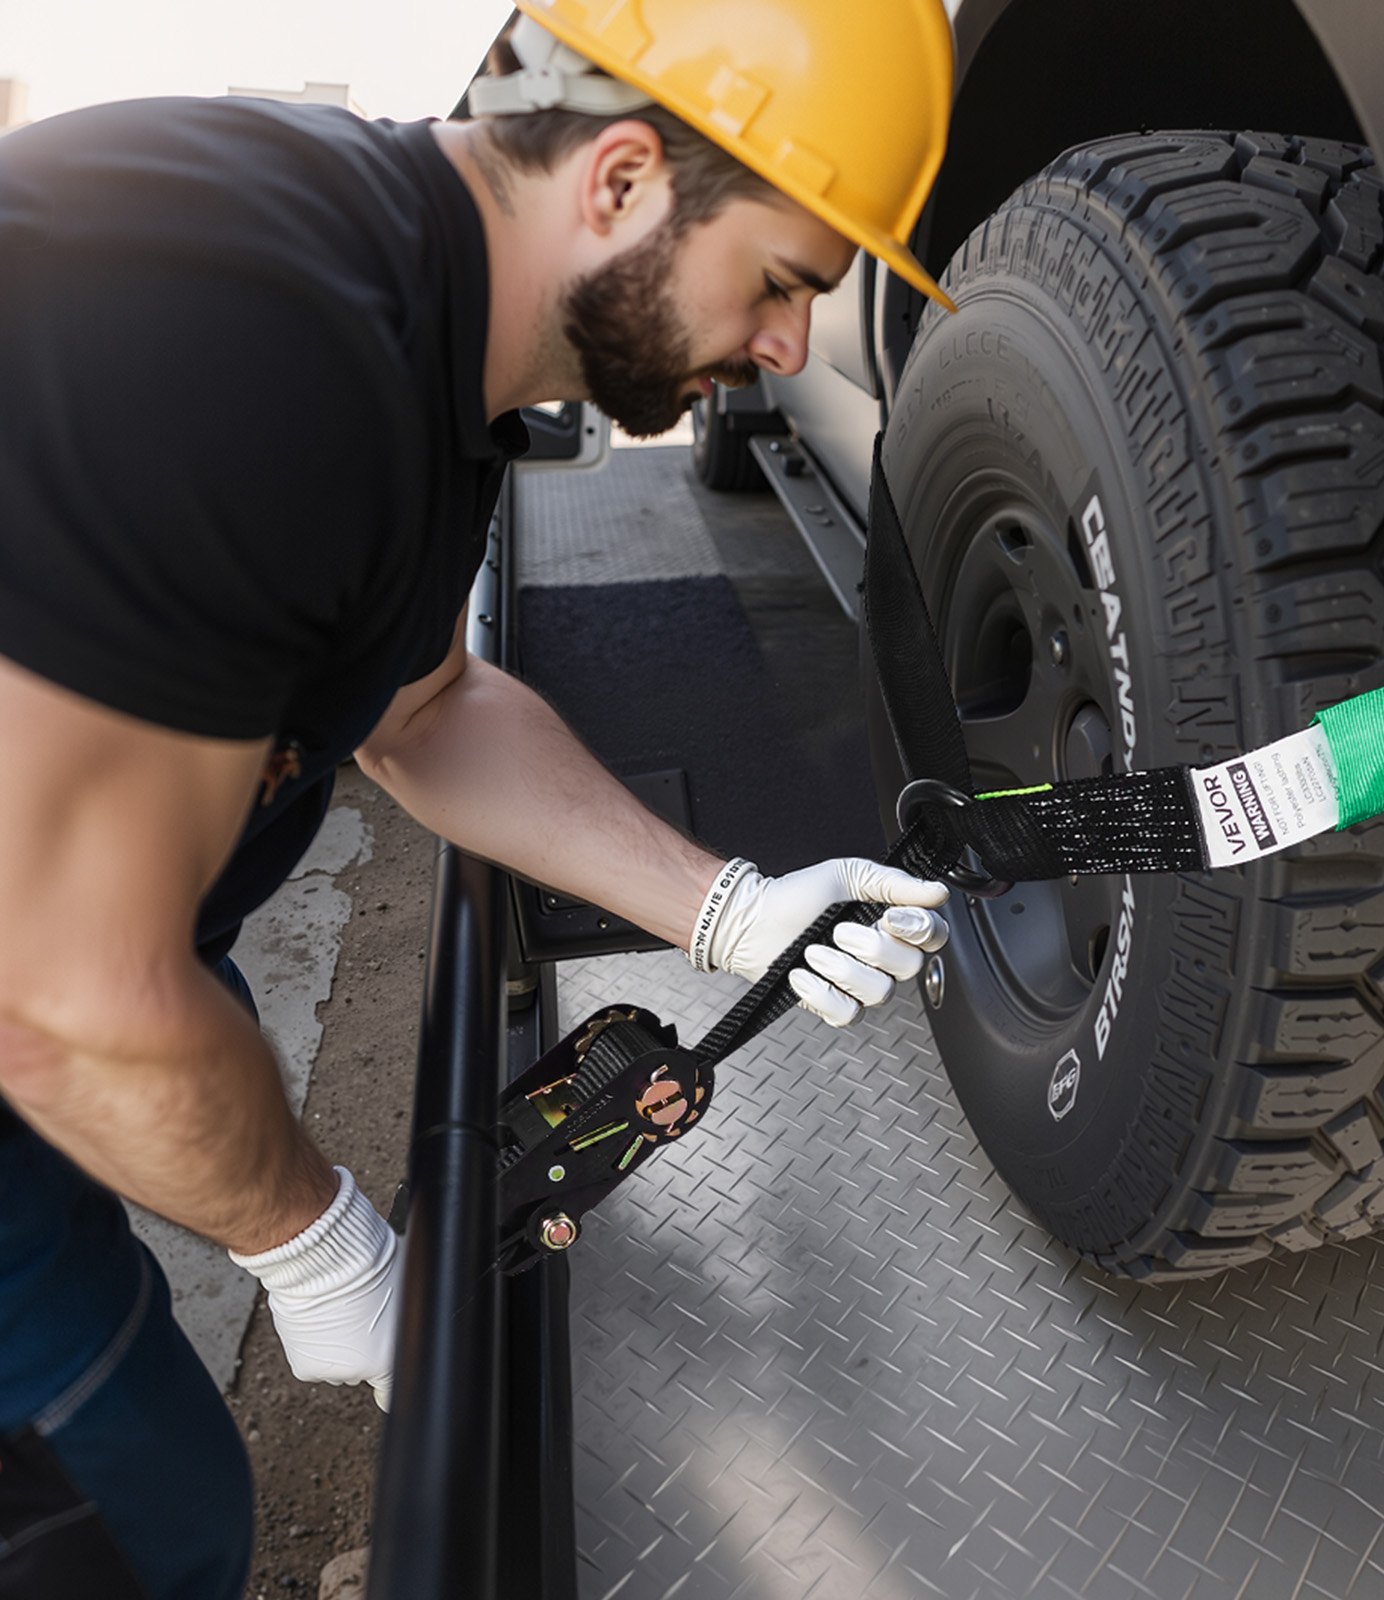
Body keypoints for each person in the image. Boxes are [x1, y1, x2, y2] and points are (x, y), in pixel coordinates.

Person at [0, 1, 958, 1594]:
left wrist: (725, 908)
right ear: (625, 178)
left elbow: (422, 708)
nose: (791, 348)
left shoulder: (415, 324)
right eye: (783, 282)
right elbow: (65, 1001)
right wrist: (316, 1247)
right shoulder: (270, 351)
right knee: (142, 1522)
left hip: (67, 920)